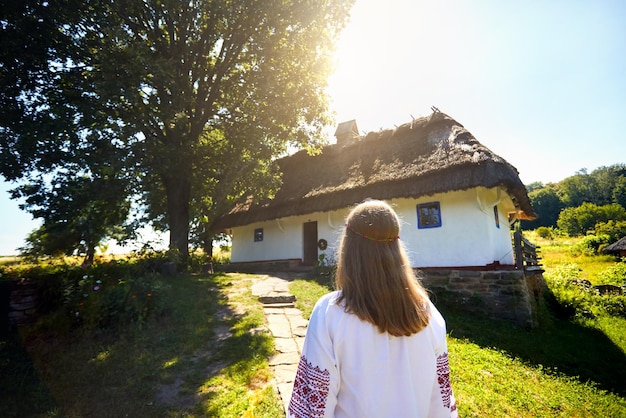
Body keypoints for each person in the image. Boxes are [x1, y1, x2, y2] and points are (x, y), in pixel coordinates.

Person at [288, 200, 458, 418]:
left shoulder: (330, 313)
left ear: (349, 250)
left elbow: (313, 410)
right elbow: (442, 405)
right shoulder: (427, 313)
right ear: (396, 248)